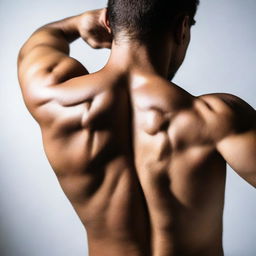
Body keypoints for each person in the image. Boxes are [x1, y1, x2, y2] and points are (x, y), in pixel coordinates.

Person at [17, 0, 255, 255]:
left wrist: (75, 24)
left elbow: (39, 43)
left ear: (108, 22)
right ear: (182, 27)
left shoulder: (52, 96)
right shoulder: (217, 117)